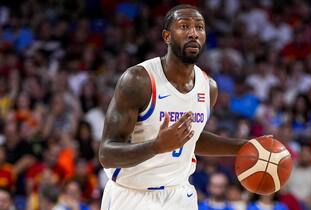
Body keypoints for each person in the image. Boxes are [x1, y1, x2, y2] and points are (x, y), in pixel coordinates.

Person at [99, 4, 268, 210]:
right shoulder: (138, 80)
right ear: (167, 36)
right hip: (132, 194)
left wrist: (243, 147)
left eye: (199, 27)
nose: (193, 33)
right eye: (184, 26)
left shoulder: (209, 87)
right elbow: (107, 153)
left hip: (180, 195)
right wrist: (156, 147)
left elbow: (191, 138)